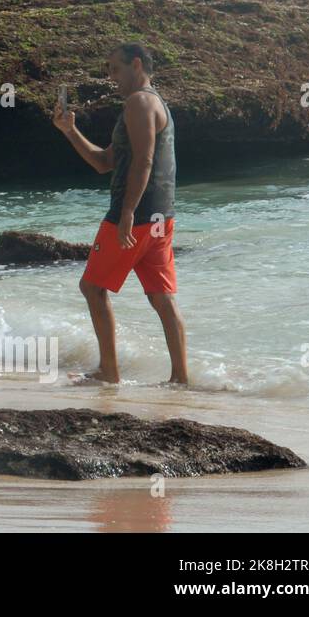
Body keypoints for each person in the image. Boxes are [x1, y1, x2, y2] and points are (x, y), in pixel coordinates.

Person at [53, 43, 187, 385]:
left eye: (115, 68)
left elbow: (143, 160)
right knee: (162, 298)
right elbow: (104, 162)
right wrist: (69, 131)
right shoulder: (153, 103)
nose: (110, 76)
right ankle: (180, 379)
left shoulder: (140, 102)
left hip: (136, 216)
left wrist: (126, 212)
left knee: (92, 288)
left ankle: (109, 372)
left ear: (137, 64)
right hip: (160, 216)